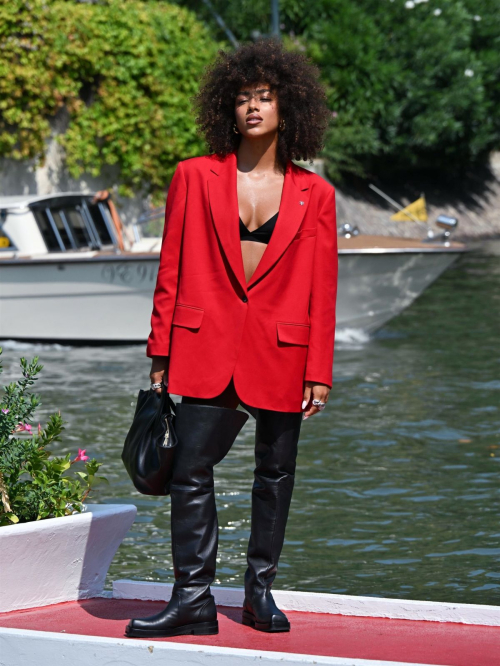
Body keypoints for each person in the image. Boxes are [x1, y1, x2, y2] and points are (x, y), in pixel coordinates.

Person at [125, 37, 338, 638]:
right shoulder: (193, 177)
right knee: (190, 469)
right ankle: (192, 598)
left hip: (284, 350)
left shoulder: (315, 193)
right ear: (228, 107)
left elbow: (323, 290)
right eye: (243, 97)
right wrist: (160, 350)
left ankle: (258, 594)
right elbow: (171, 267)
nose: (252, 107)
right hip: (204, 344)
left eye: (265, 97)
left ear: (287, 108)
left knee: (275, 473)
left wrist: (319, 369)